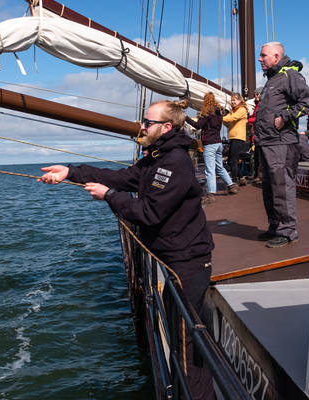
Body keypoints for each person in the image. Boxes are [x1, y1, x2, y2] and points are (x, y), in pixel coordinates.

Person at [38, 100, 216, 400]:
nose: (142, 127)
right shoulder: (158, 157)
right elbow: (121, 178)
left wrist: (109, 196)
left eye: (148, 122)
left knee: (185, 344)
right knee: (180, 338)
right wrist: (71, 171)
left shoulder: (174, 163)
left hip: (187, 262)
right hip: (175, 258)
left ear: (166, 127)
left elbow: (148, 212)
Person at [254, 42, 309, 248]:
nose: (260, 59)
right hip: (266, 142)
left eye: (263, 56)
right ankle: (275, 226)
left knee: (282, 187)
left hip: (281, 142)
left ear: (276, 57)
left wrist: (283, 118)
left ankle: (288, 232)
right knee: (269, 188)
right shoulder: (272, 79)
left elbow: (308, 103)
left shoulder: (290, 76)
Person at [185, 92, 238, 205]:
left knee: (210, 170)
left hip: (209, 144)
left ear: (206, 101)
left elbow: (198, 125)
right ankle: (231, 185)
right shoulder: (219, 112)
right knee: (219, 167)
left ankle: (211, 194)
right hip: (218, 143)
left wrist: (186, 118)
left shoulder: (207, 113)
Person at [222, 93, 249, 186]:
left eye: (235, 100)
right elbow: (229, 117)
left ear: (240, 101)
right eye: (232, 100)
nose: (233, 102)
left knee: (233, 161)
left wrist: (219, 119)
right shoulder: (233, 111)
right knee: (231, 160)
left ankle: (233, 181)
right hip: (233, 137)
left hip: (238, 137)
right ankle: (241, 178)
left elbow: (232, 118)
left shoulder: (242, 109)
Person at [247, 87, 263, 182]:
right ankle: (256, 174)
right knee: (256, 156)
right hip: (257, 134)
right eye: (255, 94)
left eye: (257, 94)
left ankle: (259, 175)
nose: (255, 96)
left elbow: (258, 118)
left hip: (260, 134)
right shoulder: (257, 105)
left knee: (259, 156)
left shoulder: (261, 105)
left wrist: (248, 120)